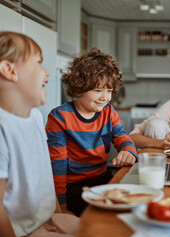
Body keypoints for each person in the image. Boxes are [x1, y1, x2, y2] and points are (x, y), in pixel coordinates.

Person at [0, 32, 78, 237]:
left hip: (48, 219)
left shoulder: (34, 116)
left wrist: (59, 215)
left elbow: (44, 172)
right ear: (9, 70)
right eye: (39, 63)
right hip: (21, 233)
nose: (47, 73)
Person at [45, 48, 137, 217]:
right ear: (79, 87)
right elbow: (56, 167)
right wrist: (62, 206)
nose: (105, 97)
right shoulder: (60, 117)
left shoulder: (109, 112)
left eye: (109, 91)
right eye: (98, 90)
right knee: (103, 215)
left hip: (101, 179)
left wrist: (128, 150)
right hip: (72, 187)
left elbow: (121, 136)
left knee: (130, 203)